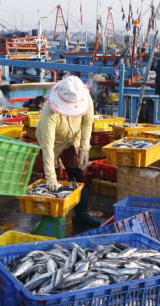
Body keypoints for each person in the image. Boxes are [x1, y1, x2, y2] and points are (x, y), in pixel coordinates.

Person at [36, 75, 100, 227]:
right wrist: (51, 176)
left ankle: (81, 213)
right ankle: (50, 216)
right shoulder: (49, 111)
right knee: (49, 178)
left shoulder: (86, 99)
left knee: (78, 174)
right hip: (51, 142)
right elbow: (48, 147)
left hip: (72, 139)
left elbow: (87, 124)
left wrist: (85, 148)